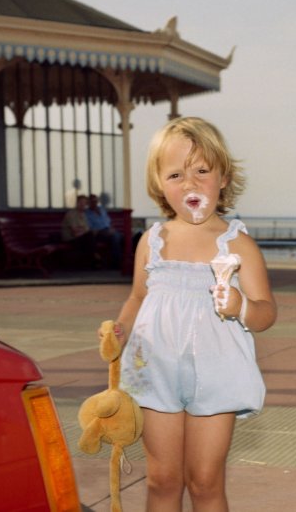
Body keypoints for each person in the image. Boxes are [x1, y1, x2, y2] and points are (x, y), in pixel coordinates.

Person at [110, 116, 276, 511]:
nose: (190, 184)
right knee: (161, 479)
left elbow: (266, 312)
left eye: (201, 171)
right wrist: (118, 331)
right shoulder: (152, 241)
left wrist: (241, 306)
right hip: (155, 369)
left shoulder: (238, 245)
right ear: (159, 184)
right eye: (176, 175)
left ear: (223, 177)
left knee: (205, 481)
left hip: (217, 371)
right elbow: (137, 298)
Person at [86, 193, 121, 267]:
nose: (94, 203)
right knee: (115, 237)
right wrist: (106, 231)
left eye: (96, 201)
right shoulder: (87, 213)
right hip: (98, 233)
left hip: (108, 230)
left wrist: (111, 229)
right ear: (89, 203)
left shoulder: (102, 209)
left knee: (121, 237)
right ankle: (116, 263)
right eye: (92, 202)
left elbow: (108, 221)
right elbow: (89, 228)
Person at [61, 194, 95, 266]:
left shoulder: (84, 215)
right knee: (89, 237)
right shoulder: (71, 214)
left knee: (91, 236)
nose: (82, 204)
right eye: (80, 202)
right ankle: (92, 261)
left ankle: (90, 261)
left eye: (84, 203)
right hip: (70, 238)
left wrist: (82, 231)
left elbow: (86, 229)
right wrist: (82, 231)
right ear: (77, 203)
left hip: (80, 237)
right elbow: (75, 231)